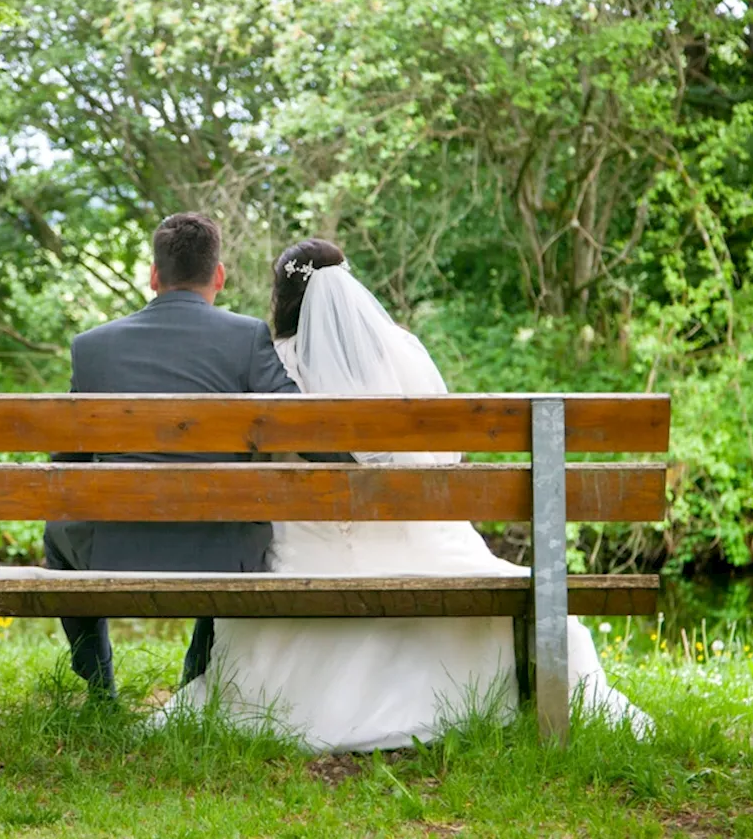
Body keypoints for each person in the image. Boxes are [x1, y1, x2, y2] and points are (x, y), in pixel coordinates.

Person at [161, 238, 652, 750]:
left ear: (282, 297)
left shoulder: (270, 364)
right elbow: (444, 461)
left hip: (308, 555)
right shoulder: (401, 352)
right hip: (430, 547)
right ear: (351, 286)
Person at [28, 214, 346, 700]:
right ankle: (195, 679)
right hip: (221, 549)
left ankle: (100, 688)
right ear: (218, 276)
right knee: (235, 522)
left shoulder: (92, 347)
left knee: (60, 530)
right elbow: (302, 427)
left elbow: (65, 462)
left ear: (154, 277)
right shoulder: (247, 338)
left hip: (112, 547)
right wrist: (355, 464)